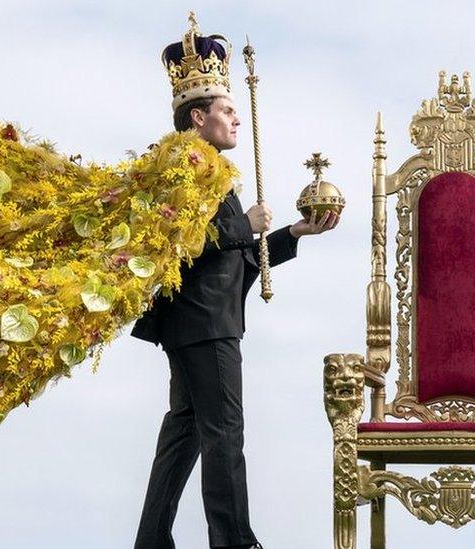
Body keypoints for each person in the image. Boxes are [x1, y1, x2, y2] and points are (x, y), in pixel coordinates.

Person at [131, 14, 339, 549]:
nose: (236, 120)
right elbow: (178, 239)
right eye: (227, 110)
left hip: (198, 317)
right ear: (197, 116)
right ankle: (234, 541)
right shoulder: (186, 164)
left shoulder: (206, 168)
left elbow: (235, 259)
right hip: (204, 322)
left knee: (185, 433)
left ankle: (151, 541)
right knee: (224, 432)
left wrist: (293, 232)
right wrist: (242, 224)